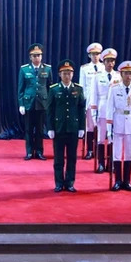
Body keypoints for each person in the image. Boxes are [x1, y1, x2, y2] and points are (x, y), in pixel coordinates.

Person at [47, 60, 86, 192]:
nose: (67, 76)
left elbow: (81, 110)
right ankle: (59, 183)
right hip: (59, 128)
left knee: (71, 158)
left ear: (73, 74)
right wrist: (50, 128)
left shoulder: (78, 89)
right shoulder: (54, 89)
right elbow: (50, 110)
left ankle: (70, 182)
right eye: (64, 73)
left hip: (73, 128)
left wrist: (82, 127)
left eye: (69, 73)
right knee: (58, 158)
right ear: (59, 74)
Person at [106, 61, 131, 191]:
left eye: (130, 73)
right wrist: (109, 128)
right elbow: (109, 107)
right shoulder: (114, 88)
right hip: (118, 121)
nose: (128, 76)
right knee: (116, 153)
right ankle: (117, 181)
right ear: (121, 74)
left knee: (129, 153)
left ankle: (127, 181)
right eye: (126, 73)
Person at [17, 43, 52, 160]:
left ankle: (39, 151)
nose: (37, 58)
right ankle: (29, 152)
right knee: (28, 129)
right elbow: (20, 89)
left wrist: (49, 103)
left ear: (41, 56)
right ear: (30, 57)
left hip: (42, 104)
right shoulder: (24, 69)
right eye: (34, 56)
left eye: (39, 55)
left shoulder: (47, 68)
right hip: (29, 103)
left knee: (40, 130)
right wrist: (21, 104)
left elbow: (50, 87)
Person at [90, 48, 121, 174]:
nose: (110, 63)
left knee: (113, 138)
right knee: (101, 138)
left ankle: (111, 163)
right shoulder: (98, 76)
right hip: (102, 109)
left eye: (112, 61)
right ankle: (101, 163)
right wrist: (93, 112)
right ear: (104, 61)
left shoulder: (118, 76)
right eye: (108, 61)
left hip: (115, 111)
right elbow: (94, 95)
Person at [78, 42, 103, 159]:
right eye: (93, 54)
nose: (95, 56)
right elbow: (81, 86)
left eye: (97, 54)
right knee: (90, 126)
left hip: (101, 101)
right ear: (89, 55)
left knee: (101, 126)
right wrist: (82, 101)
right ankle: (89, 150)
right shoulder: (84, 68)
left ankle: (99, 150)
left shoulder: (105, 67)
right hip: (89, 100)